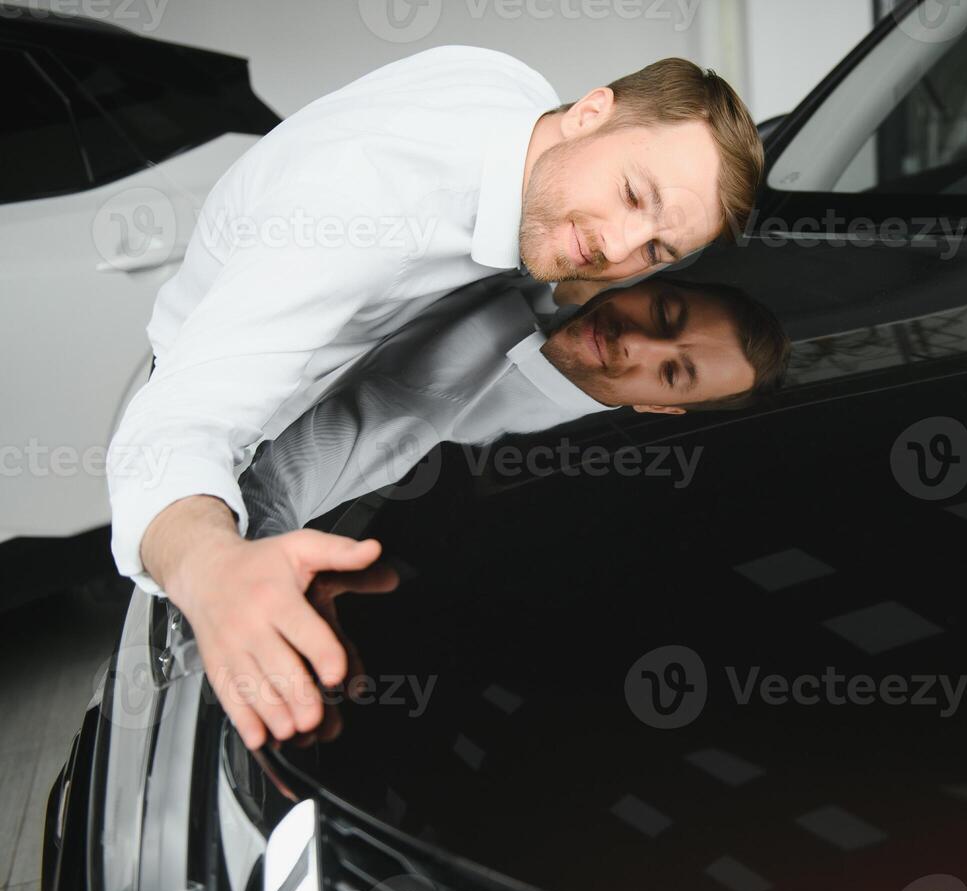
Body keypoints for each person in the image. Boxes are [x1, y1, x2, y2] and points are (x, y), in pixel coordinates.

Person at [105, 45, 767, 747]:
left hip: (333, 432)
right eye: (635, 195)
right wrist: (214, 570)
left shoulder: (511, 85)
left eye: (659, 251)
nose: (620, 247)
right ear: (590, 112)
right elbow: (176, 428)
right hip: (223, 465)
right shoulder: (360, 212)